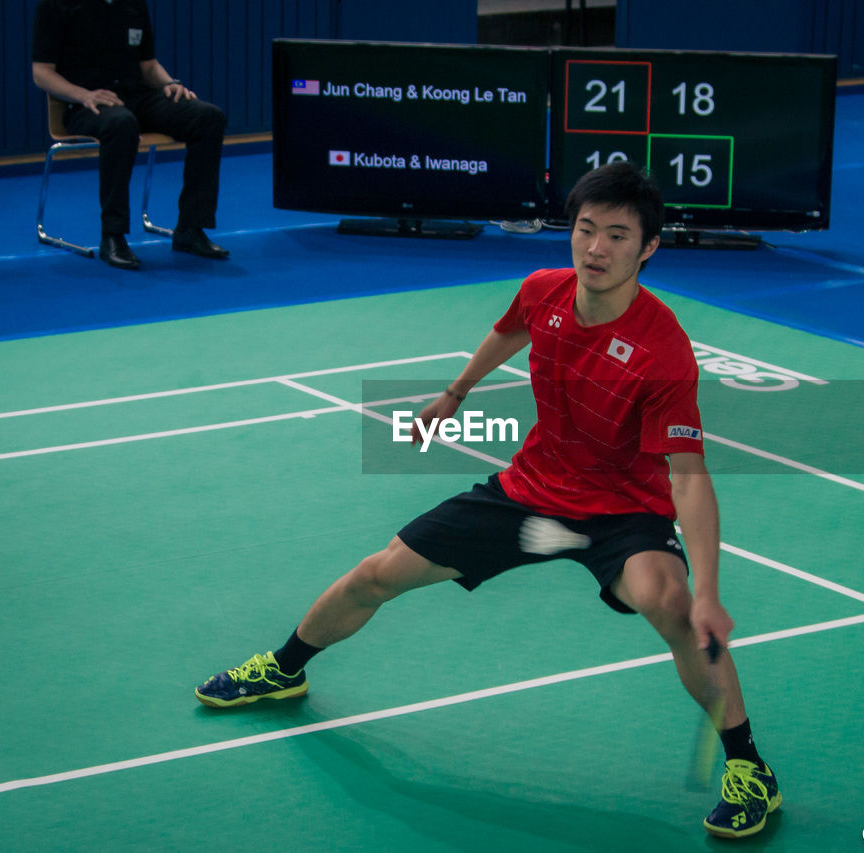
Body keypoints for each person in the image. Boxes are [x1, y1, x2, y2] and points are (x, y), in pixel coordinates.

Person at [195, 162, 782, 840]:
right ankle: (283, 668)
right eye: (586, 229)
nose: (595, 248)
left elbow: (688, 476)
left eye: (618, 236)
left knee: (676, 608)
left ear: (648, 248)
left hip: (623, 510)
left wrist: (708, 589)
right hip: (531, 489)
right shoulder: (545, 290)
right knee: (378, 572)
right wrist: (456, 392)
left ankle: (749, 768)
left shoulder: (663, 349)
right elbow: (512, 329)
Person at [31, 0, 230, 270]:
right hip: (85, 104)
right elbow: (42, 73)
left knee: (208, 118)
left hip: (137, 97)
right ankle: (113, 236)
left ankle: (190, 229)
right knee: (122, 125)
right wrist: (84, 95)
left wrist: (170, 84)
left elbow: (148, 66)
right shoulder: (56, 6)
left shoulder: (135, 4)